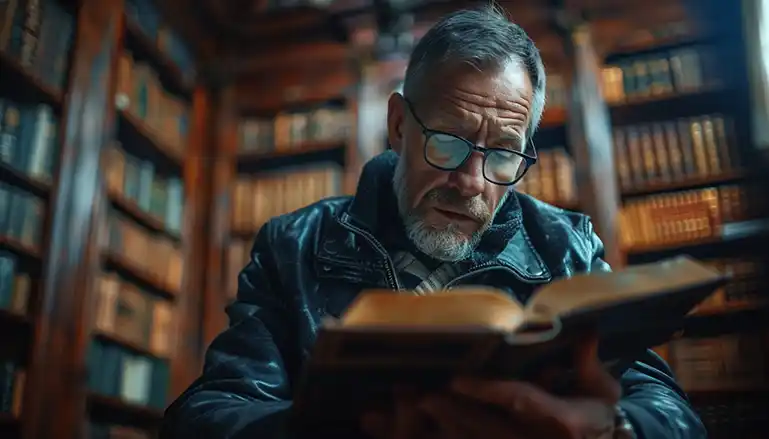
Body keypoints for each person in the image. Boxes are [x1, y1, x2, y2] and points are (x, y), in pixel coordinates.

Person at [162, 5, 706, 439]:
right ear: (399, 125)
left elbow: (672, 414)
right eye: (448, 141)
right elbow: (207, 416)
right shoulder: (294, 245)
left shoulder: (568, 247)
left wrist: (616, 431)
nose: (472, 180)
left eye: (503, 153)